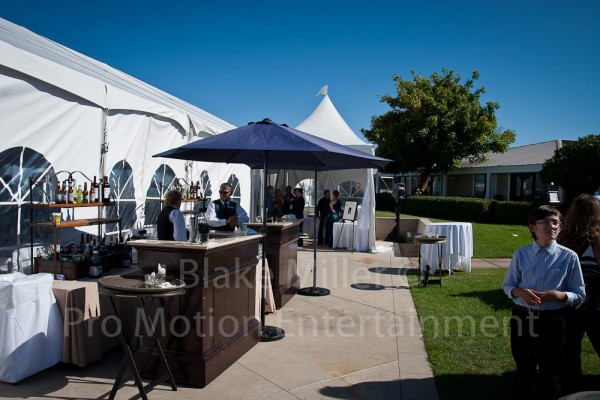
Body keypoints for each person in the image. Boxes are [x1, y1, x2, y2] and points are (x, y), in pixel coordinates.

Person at [502, 205, 585, 400]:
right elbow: (508, 285)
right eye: (546, 222)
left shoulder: (568, 257)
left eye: (556, 222)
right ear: (532, 227)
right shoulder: (521, 254)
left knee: (552, 369)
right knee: (524, 367)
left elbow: (579, 293)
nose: (552, 226)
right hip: (524, 318)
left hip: (553, 320)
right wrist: (518, 291)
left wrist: (560, 296)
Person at [557, 194, 600, 392]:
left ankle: (572, 385)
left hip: (570, 300)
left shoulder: (564, 238)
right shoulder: (596, 240)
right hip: (593, 300)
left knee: (570, 347)